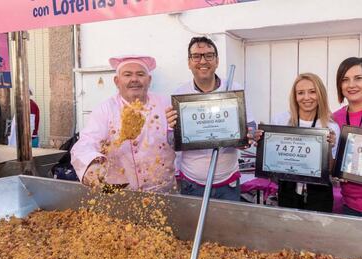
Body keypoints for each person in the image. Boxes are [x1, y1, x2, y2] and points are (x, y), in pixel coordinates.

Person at [166, 36, 255, 201]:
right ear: (189, 62)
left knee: (227, 227)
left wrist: (246, 138)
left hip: (228, 182)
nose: (203, 61)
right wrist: (176, 130)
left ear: (217, 60)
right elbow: (171, 142)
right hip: (192, 183)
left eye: (209, 55)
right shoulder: (180, 94)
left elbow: (251, 127)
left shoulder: (234, 89)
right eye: (196, 56)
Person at [71, 55, 175, 193]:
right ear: (117, 81)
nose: (134, 79)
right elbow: (86, 142)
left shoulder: (166, 105)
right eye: (127, 75)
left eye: (140, 74)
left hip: (162, 189)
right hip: (121, 192)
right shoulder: (105, 109)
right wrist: (91, 166)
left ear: (149, 80)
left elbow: (179, 141)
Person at [255, 73, 339, 213]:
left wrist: (329, 148)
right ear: (294, 96)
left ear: (320, 94)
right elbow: (270, 158)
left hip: (319, 194)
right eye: (300, 93)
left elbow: (330, 170)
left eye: (312, 92)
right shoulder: (280, 120)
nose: (306, 97)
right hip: (287, 191)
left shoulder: (330, 126)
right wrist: (261, 142)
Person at [333, 57, 362, 216]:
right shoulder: (333, 119)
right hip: (350, 206)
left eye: (358, 78)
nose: (351, 85)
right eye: (345, 80)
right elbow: (331, 159)